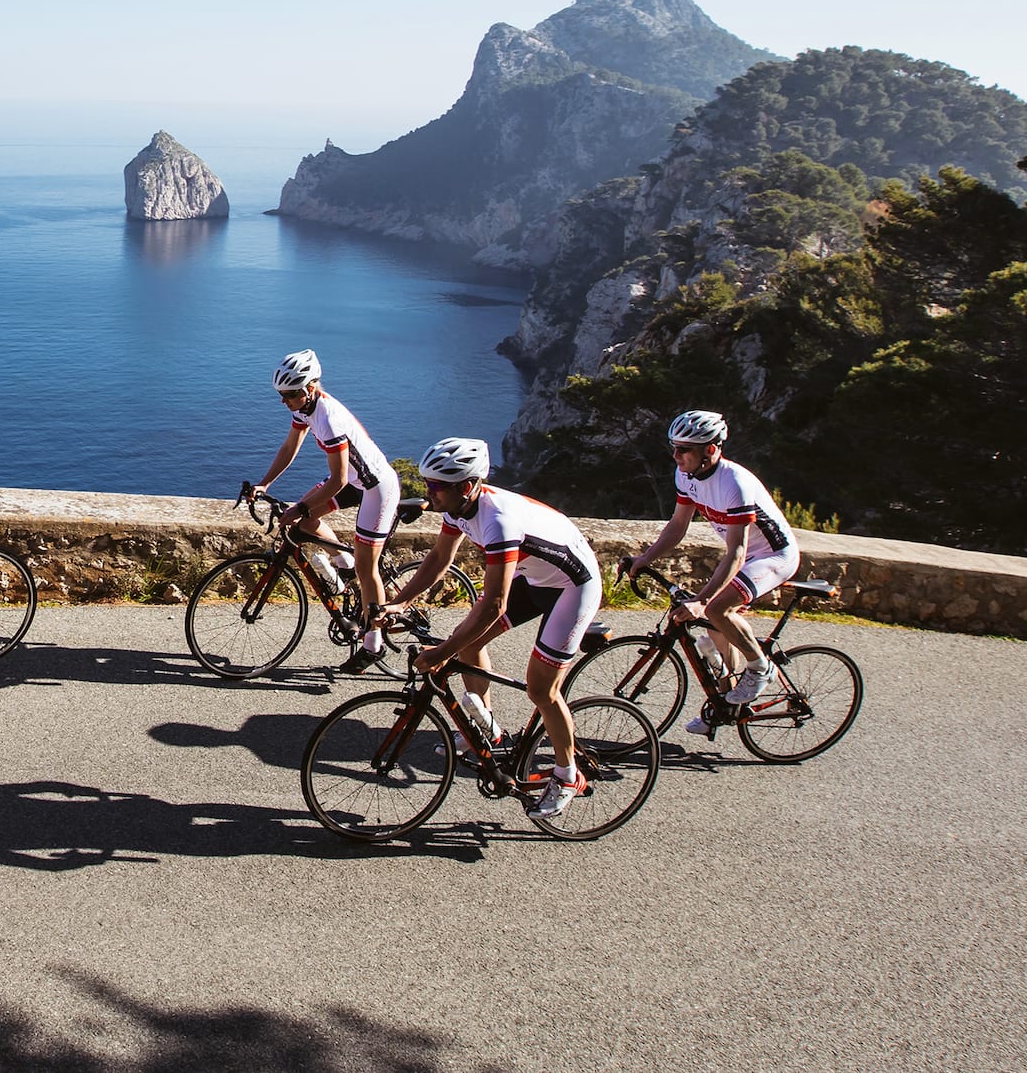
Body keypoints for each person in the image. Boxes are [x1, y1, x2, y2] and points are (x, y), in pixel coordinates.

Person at [380, 437, 602, 817]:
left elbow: (494, 605)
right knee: (468, 643)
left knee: (541, 689)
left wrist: (439, 653)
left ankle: (567, 775)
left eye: (435, 487)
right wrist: (401, 601)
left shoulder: (498, 521)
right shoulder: (459, 506)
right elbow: (438, 558)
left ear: (465, 486)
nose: (428, 492)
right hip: (537, 582)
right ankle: (488, 728)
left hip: (573, 587)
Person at [620, 410, 800, 732]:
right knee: (713, 621)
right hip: (745, 558)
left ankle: (760, 667)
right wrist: (645, 558)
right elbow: (677, 527)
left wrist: (702, 601)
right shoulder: (685, 476)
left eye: (684, 449)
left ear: (711, 450)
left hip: (774, 556)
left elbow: (737, 552)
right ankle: (727, 701)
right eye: (673, 447)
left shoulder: (735, 484)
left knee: (716, 608)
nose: (676, 456)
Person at [249, 349, 400, 672]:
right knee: (303, 523)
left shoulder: (328, 418)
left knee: (366, 565)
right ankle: (344, 569)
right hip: (355, 483)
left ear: (311, 387)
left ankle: (373, 644)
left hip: (376, 488)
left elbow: (338, 479)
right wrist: (265, 484)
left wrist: (302, 505)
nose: (284, 401)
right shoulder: (305, 409)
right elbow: (290, 447)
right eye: (282, 395)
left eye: (290, 394)